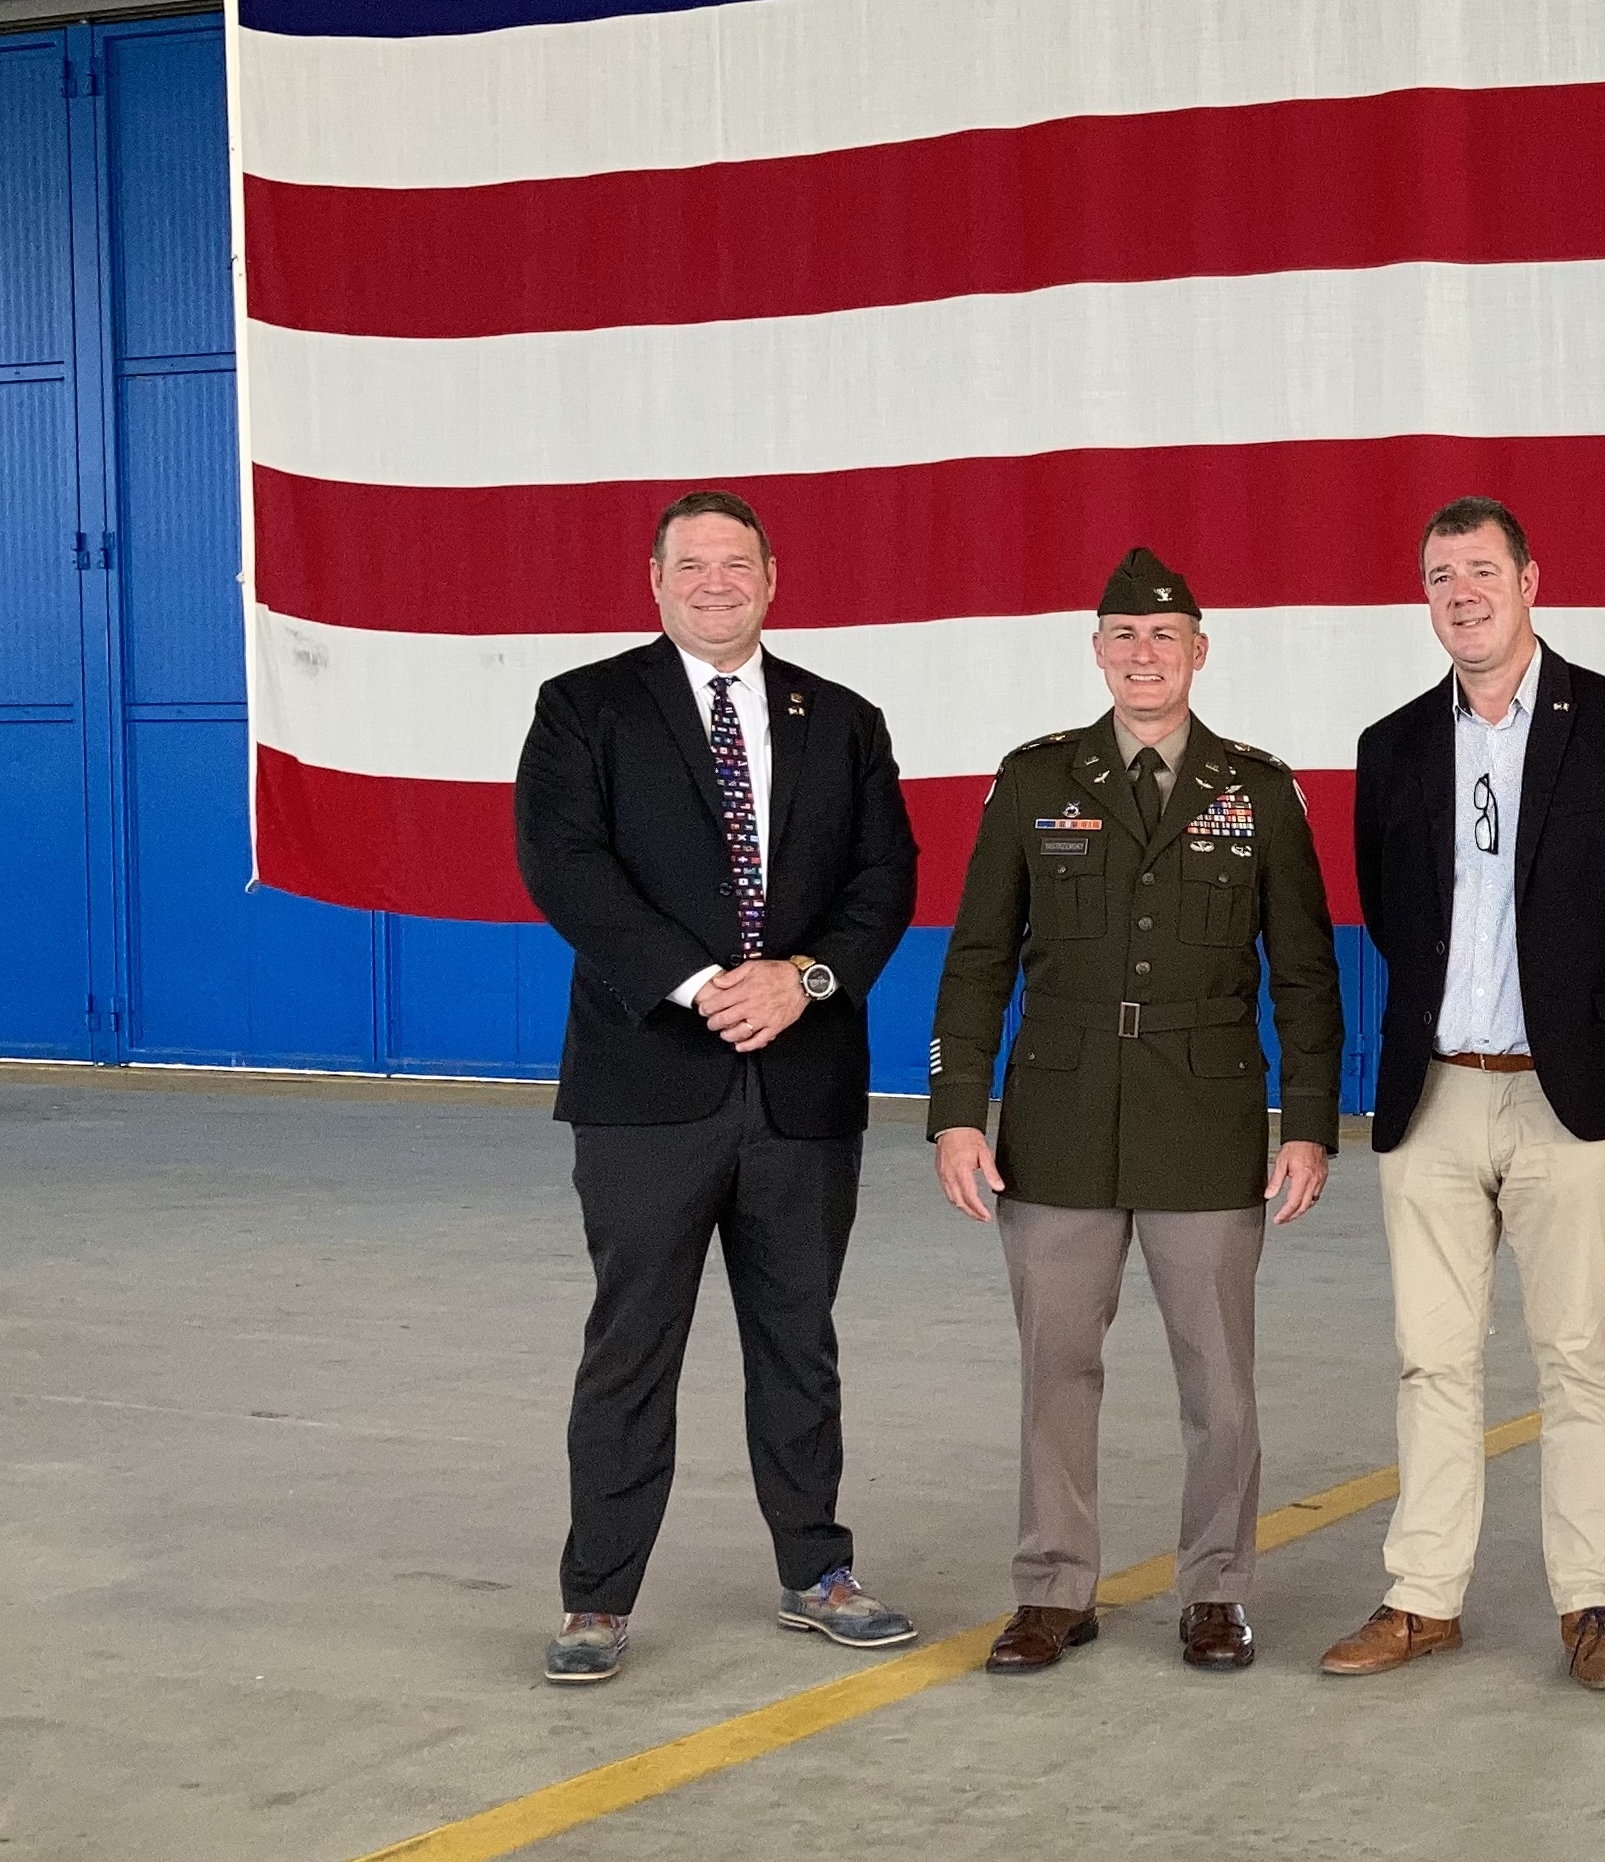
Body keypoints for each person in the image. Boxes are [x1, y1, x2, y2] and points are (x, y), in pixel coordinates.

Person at [511, 489, 921, 1685]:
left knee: (799, 1341)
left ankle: (817, 1571)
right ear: (653, 579)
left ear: (773, 577)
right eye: (689, 563)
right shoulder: (583, 708)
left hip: (802, 1084)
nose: (713, 581)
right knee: (630, 1347)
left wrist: (805, 979)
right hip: (649, 1084)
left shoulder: (842, 719)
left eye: (734, 562)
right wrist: (700, 984)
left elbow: (883, 878)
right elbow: (564, 868)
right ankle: (596, 1598)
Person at [926, 547, 1344, 1677]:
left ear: (1198, 653)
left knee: (1219, 1381)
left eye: (1164, 638)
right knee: (1055, 1367)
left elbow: (1305, 972)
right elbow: (977, 960)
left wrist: (1307, 1120)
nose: (1143, 655)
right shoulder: (1034, 780)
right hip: (1056, 1123)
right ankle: (1054, 1588)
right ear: (1097, 650)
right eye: (1123, 636)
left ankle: (1217, 1590)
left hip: (1206, 1122)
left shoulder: (1255, 790)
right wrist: (958, 1108)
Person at [1325, 498, 1605, 1691]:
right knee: (1432, 1360)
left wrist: (1591, 1038)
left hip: (1568, 1098)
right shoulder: (1391, 747)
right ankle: (1422, 1597)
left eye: (1482, 571)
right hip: (1433, 1094)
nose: (1462, 595)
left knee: (1578, 1357)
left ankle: (1588, 1607)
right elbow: (1394, 916)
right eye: (1440, 576)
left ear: (1531, 579)